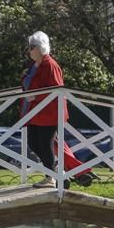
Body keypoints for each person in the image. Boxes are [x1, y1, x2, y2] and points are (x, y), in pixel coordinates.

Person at [20, 31, 93, 188]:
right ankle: (56, 172)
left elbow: (56, 89)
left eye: (32, 47)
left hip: (48, 113)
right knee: (33, 142)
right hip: (33, 113)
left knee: (45, 144)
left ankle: (51, 177)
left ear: (41, 48)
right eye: (29, 47)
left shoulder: (50, 65)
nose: (29, 50)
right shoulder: (33, 66)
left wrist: (35, 97)